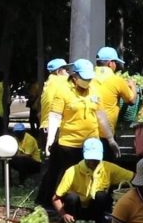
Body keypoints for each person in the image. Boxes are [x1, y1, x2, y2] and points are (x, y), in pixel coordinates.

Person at [37, 59, 119, 208]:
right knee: (70, 178)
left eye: (89, 78)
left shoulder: (94, 90)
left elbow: (101, 116)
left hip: (92, 144)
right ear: (74, 77)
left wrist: (110, 139)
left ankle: (91, 208)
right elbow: (55, 117)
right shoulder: (63, 91)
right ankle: (67, 208)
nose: (88, 81)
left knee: (93, 176)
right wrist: (50, 140)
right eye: (84, 78)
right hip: (70, 145)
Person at [52, 138, 133, 223]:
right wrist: (63, 214)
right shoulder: (72, 171)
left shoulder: (108, 168)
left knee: (101, 195)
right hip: (76, 210)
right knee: (72, 197)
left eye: (96, 159)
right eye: (90, 158)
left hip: (96, 210)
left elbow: (134, 177)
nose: (93, 162)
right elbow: (55, 198)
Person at [92, 46, 137, 137]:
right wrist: (133, 86)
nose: (116, 66)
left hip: (88, 131)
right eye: (115, 62)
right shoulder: (117, 80)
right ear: (110, 63)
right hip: (106, 133)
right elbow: (132, 101)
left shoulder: (88, 77)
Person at [39, 58, 72, 153]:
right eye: (66, 69)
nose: (68, 72)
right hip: (55, 127)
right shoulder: (60, 80)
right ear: (58, 71)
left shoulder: (50, 82)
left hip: (46, 126)